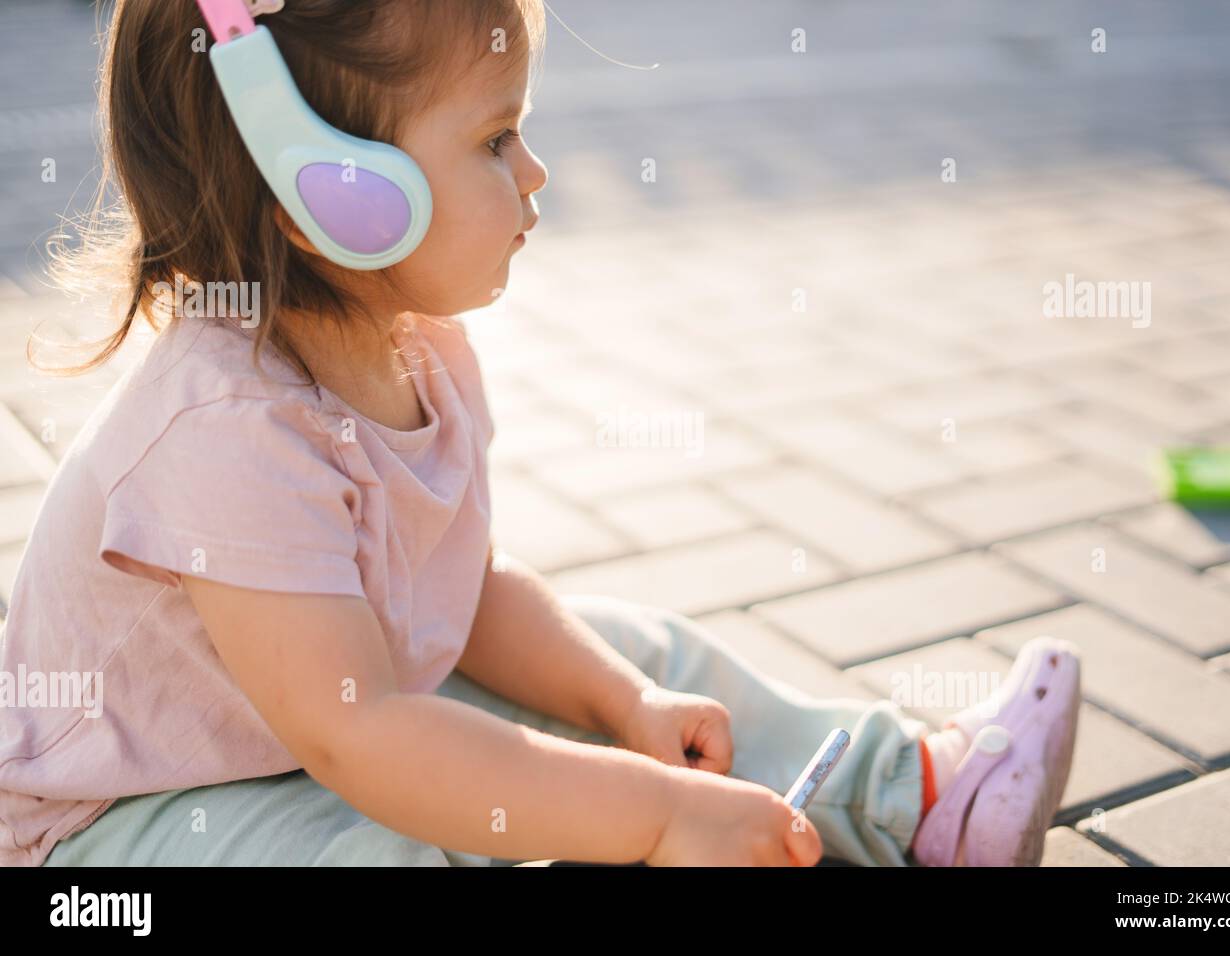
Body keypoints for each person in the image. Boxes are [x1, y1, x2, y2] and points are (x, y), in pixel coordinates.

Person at [0, 0, 1081, 867]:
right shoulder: (224, 426)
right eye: (497, 136)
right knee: (386, 847)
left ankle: (922, 798)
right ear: (327, 192)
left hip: (306, 732)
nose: (535, 171)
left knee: (644, 657)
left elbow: (458, 587)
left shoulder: (417, 349)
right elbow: (359, 731)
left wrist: (624, 702)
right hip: (124, 828)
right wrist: (655, 818)